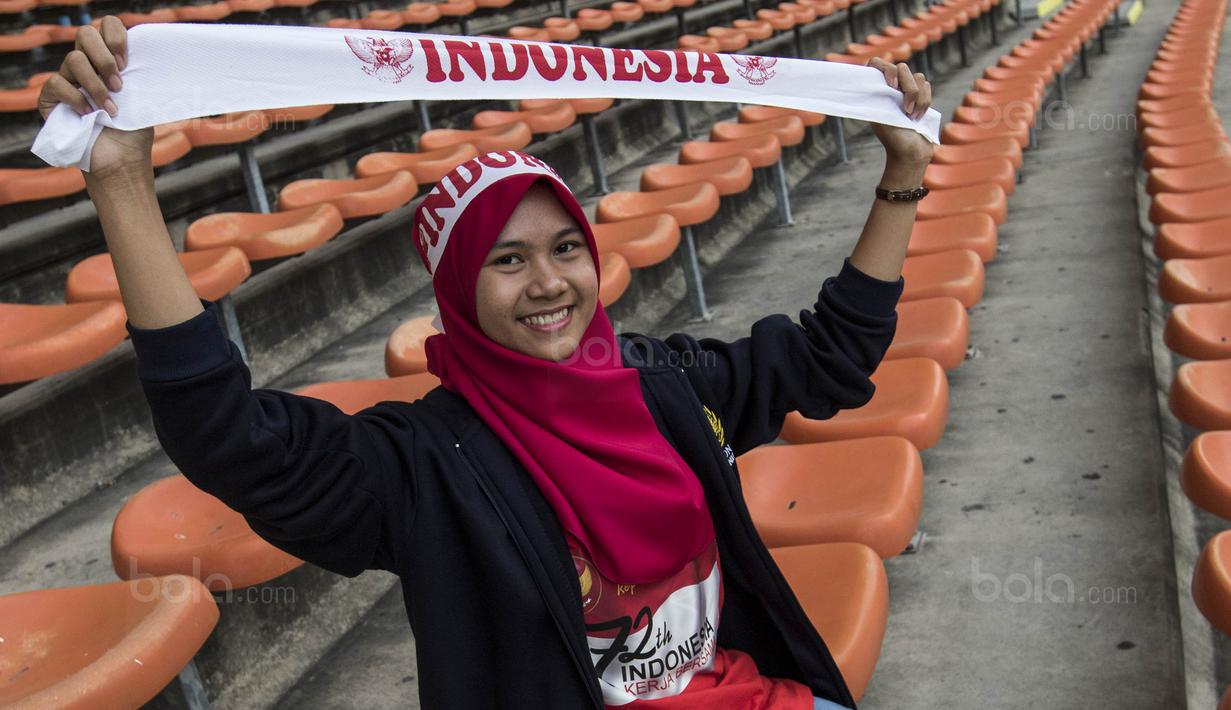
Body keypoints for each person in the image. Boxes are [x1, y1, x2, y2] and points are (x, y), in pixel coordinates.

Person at [39, 16, 934, 710]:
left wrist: (901, 172)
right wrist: (119, 181)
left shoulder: (665, 385)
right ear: (459, 289)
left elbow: (828, 361)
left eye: (563, 249)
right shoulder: (426, 464)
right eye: (505, 261)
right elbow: (225, 435)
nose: (548, 283)